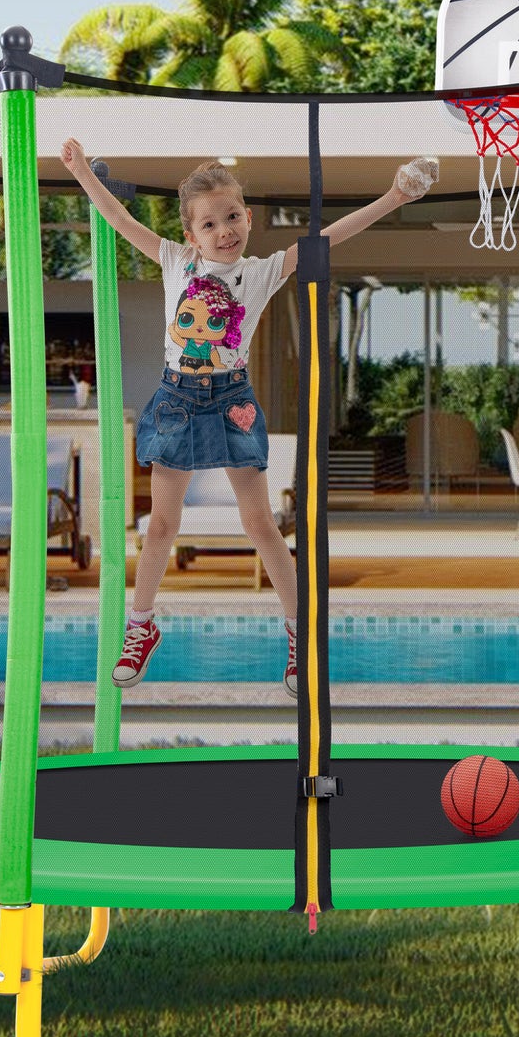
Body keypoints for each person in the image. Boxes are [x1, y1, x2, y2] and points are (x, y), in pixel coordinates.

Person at [60, 139, 439, 696]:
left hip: (231, 400)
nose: (224, 231)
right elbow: (118, 218)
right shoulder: (174, 260)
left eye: (233, 216)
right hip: (178, 402)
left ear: (248, 216)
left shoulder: (261, 272)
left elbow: (326, 239)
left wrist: (395, 195)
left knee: (260, 524)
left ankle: (298, 636)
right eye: (210, 224)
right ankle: (140, 628)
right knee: (161, 526)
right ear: (191, 234)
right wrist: (79, 174)